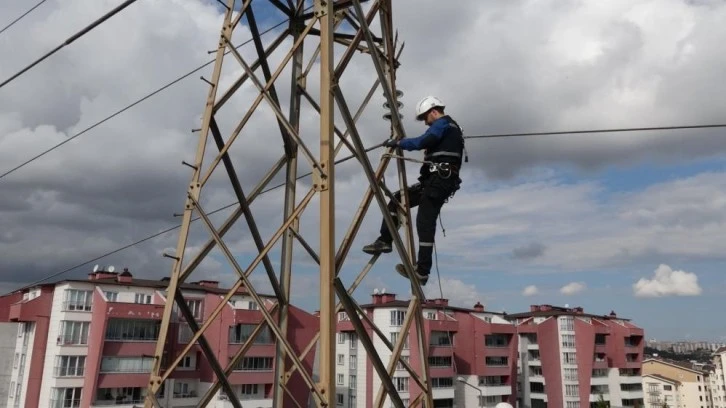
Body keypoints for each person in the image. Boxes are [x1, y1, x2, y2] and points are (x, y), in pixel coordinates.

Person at [362, 95, 465, 286]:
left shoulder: (443, 124)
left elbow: (422, 141)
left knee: (424, 222)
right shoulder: (451, 128)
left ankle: (422, 271)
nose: (426, 123)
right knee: (398, 198)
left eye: (426, 118)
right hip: (433, 181)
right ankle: (385, 240)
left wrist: (399, 143)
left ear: (434, 112)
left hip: (439, 182)